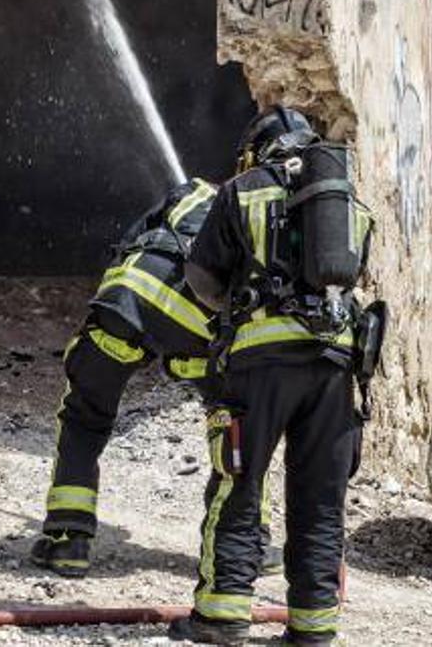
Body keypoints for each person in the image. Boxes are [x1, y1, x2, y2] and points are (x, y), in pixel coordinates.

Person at [170, 107, 374, 646]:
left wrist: (244, 302)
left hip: (259, 368)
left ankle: (221, 616)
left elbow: (202, 280)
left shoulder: (242, 190)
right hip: (334, 368)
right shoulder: (348, 202)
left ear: (259, 148)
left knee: (239, 484)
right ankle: (313, 626)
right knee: (319, 500)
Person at [31, 178, 282, 579]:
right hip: (199, 331)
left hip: (128, 299)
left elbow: (130, 241)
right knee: (236, 426)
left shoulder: (194, 190)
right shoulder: (264, 220)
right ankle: (247, 541)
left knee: (85, 414)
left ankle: (68, 541)